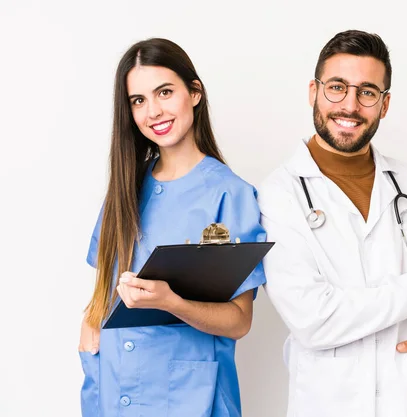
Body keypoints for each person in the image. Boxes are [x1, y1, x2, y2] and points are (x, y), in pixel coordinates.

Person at [258, 29, 407, 417]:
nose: (350, 105)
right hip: (329, 402)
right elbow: (313, 319)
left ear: (385, 104)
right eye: (337, 87)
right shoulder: (280, 193)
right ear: (313, 91)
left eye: (367, 92)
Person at [78, 38, 266, 417]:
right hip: (113, 388)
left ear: (194, 92)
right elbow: (103, 292)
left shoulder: (230, 194)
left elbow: (239, 321)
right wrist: (88, 326)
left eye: (165, 92)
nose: (154, 111)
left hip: (188, 399)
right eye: (138, 100)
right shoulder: (125, 189)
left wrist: (172, 303)